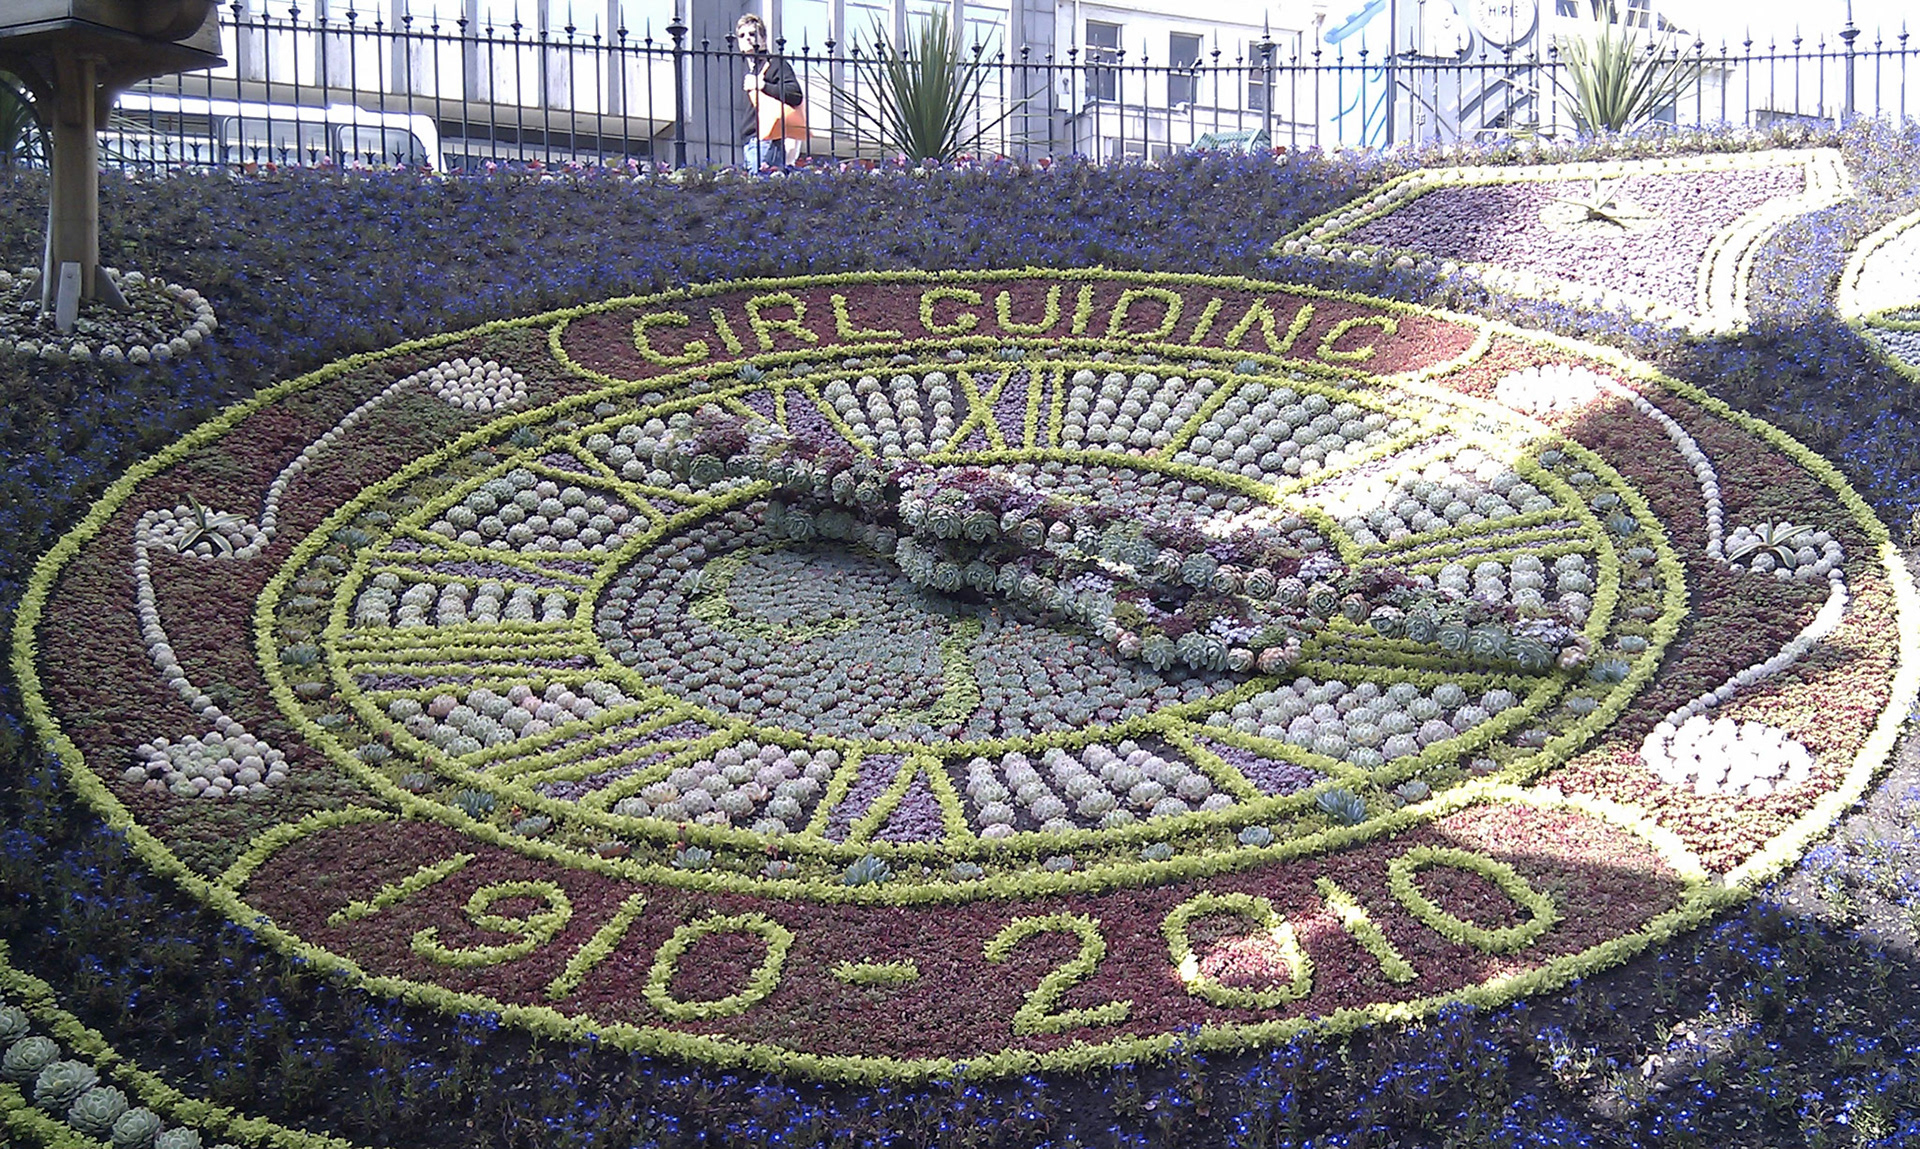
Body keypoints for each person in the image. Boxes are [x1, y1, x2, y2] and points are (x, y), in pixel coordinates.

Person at [736, 13, 804, 170]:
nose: (747, 38)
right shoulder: (750, 68)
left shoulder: (774, 63)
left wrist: (763, 85)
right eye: (742, 35)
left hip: (767, 138)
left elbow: (795, 94)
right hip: (751, 140)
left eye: (752, 34)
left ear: (763, 38)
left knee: (759, 187)